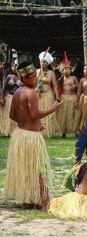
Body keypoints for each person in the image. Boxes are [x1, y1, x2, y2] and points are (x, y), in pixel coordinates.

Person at [4, 61, 62, 211]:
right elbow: (35, 114)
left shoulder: (17, 92)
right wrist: (53, 108)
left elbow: (12, 115)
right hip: (31, 138)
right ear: (25, 78)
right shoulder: (32, 93)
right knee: (39, 169)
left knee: (26, 168)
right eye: (34, 77)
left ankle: (28, 200)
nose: (37, 79)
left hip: (19, 135)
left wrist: (33, 123)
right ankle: (45, 203)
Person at [37, 48, 60, 138]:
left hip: (48, 94)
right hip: (38, 94)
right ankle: (37, 128)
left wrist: (57, 96)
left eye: (44, 62)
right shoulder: (36, 71)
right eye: (41, 61)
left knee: (46, 112)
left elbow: (54, 85)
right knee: (38, 112)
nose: (42, 63)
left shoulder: (51, 73)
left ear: (48, 63)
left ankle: (47, 131)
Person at [57, 52, 80, 137]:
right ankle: (63, 131)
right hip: (64, 98)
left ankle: (75, 131)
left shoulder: (74, 78)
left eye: (69, 69)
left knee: (72, 115)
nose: (68, 70)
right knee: (64, 115)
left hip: (72, 97)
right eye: (66, 69)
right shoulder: (60, 80)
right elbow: (58, 89)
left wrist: (75, 86)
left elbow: (79, 88)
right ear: (62, 70)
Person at [2, 64, 21, 136]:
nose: (15, 69)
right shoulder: (9, 76)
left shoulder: (22, 77)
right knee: (10, 113)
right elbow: (5, 88)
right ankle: (9, 130)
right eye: (14, 67)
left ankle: (17, 129)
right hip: (10, 96)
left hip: (19, 97)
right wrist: (3, 97)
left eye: (16, 67)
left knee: (18, 114)